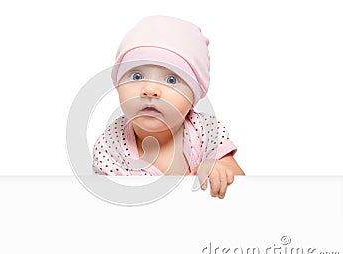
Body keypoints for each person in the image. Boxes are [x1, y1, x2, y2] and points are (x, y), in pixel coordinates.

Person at [92, 15, 244, 198]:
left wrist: (219, 170)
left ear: (193, 97)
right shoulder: (110, 147)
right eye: (136, 76)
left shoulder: (205, 130)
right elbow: (106, 204)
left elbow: (243, 185)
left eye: (171, 80)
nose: (150, 90)